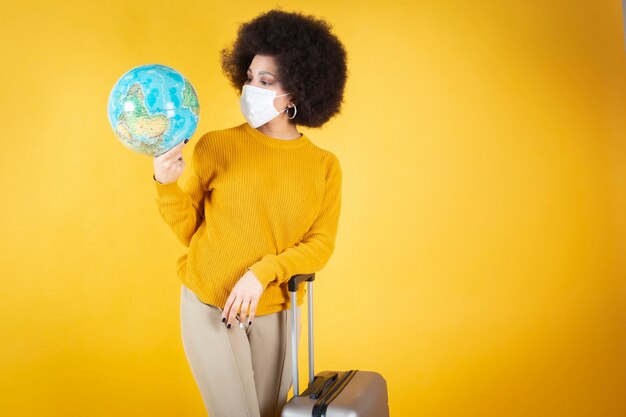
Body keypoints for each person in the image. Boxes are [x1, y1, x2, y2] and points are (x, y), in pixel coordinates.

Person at [152, 9, 347, 417]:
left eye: (266, 81)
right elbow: (190, 229)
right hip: (210, 300)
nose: (251, 88)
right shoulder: (215, 146)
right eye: (249, 77)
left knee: (272, 412)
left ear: (296, 93)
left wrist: (262, 273)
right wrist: (166, 183)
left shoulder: (323, 166)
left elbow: (320, 244)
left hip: (274, 306)